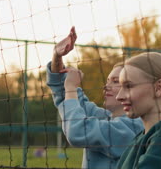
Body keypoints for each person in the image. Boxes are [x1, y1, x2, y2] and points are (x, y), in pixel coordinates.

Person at [46, 26, 143, 169]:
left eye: (116, 81)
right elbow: (63, 92)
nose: (106, 86)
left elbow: (77, 131)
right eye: (108, 81)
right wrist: (57, 57)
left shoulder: (133, 128)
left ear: (131, 88)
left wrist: (71, 88)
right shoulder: (104, 117)